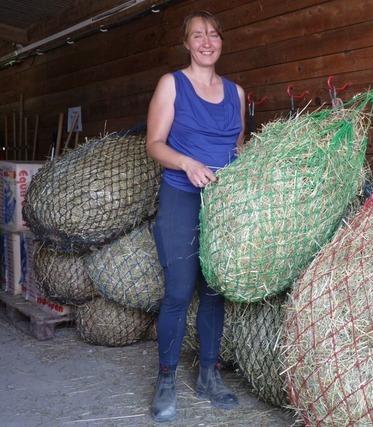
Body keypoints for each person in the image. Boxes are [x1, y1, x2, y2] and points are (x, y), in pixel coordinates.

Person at [145, 10, 245, 423]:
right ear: (186, 43)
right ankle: (166, 378)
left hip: (222, 204)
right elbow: (154, 144)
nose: (206, 42)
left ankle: (208, 373)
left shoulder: (238, 93)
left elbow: (238, 147)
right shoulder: (172, 84)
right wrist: (187, 164)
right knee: (180, 290)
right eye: (197, 35)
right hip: (183, 196)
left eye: (213, 35)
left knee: (215, 288)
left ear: (221, 41)